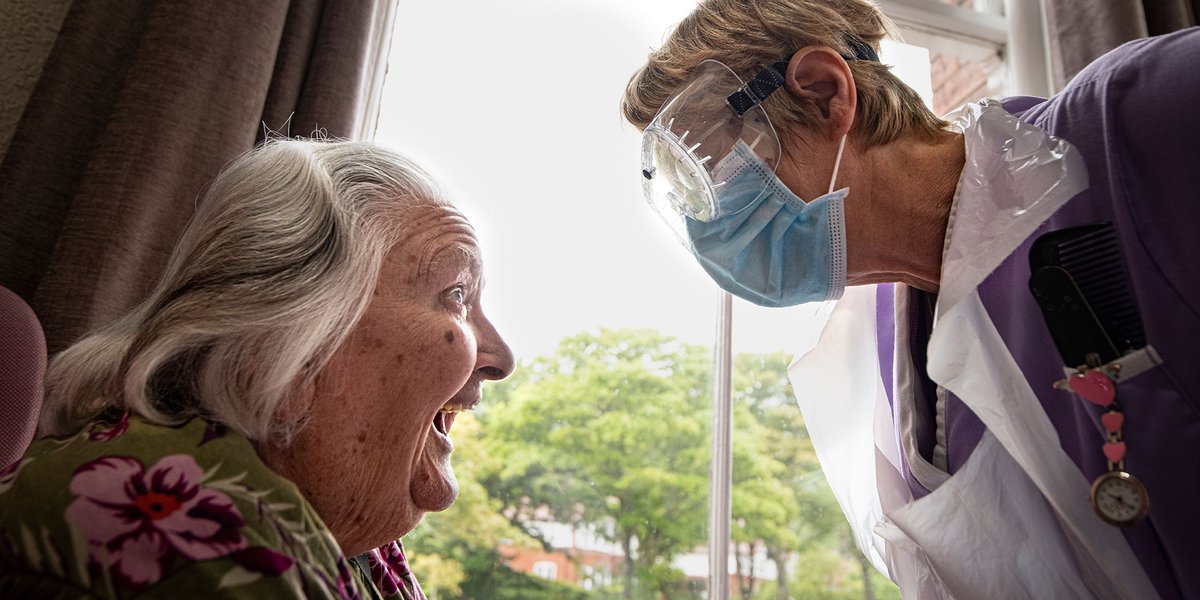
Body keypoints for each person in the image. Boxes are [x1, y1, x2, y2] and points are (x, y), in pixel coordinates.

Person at [622, 1, 1199, 598]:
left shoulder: (1136, 118)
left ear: (825, 93)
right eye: (683, 190)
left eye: (711, 171)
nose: (706, 224)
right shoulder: (877, 365)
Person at [0, 139, 514, 598]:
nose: (501, 358)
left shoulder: (353, 549)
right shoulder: (189, 534)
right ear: (288, 350)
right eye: (456, 295)